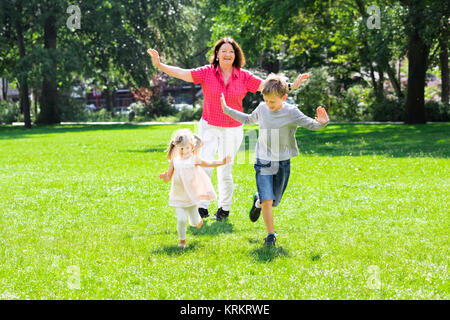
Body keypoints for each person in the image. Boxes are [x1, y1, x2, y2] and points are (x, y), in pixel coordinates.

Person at [147, 37, 309, 221]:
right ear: (217, 54)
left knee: (225, 169)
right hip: (208, 126)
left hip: (233, 128)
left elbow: (269, 86)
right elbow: (183, 73)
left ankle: (224, 208)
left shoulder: (244, 76)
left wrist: (291, 86)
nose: (227, 54)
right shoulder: (206, 72)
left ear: (235, 55)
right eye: (223, 51)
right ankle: (202, 207)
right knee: (204, 165)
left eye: (231, 52)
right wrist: (159, 64)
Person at [220, 73, 329, 246]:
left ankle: (258, 200)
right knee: (268, 201)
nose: (269, 105)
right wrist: (227, 109)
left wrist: (322, 123)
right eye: (266, 100)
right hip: (263, 160)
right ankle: (270, 235)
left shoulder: (292, 112)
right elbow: (248, 119)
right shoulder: (262, 108)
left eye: (273, 101)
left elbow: (311, 124)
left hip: (283, 162)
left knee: (274, 200)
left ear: (284, 97)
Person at [159, 129, 231, 248]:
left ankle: (198, 221)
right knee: (181, 219)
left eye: (186, 148)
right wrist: (164, 177)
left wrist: (222, 161)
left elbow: (209, 163)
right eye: (180, 148)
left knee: (194, 222)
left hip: (191, 196)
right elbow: (168, 178)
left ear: (191, 147)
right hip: (178, 195)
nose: (183, 151)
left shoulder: (194, 159)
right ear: (176, 147)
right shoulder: (175, 161)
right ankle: (182, 241)